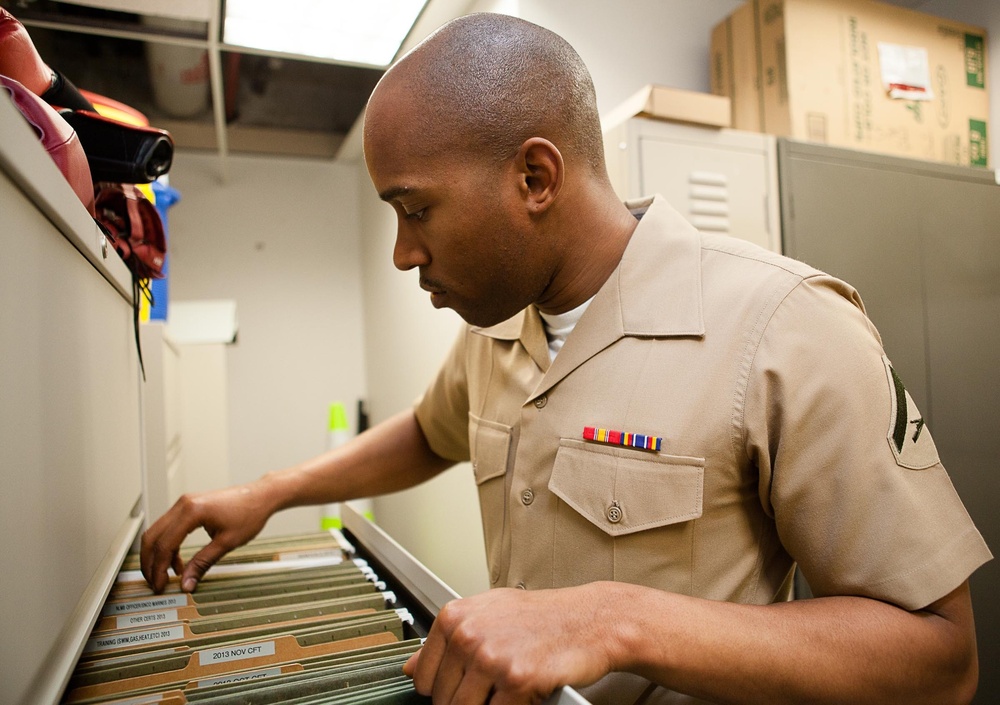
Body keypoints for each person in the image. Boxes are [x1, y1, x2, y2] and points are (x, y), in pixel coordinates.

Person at [141, 12, 992, 704]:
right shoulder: (497, 325)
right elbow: (430, 433)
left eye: (417, 210)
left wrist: (613, 619)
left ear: (536, 178)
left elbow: (941, 658)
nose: (404, 254)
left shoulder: (784, 326)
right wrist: (270, 492)